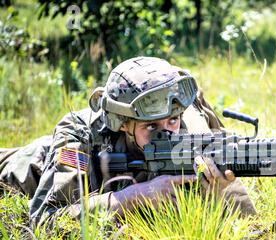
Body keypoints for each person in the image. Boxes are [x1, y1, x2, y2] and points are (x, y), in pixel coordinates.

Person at [0, 56, 257, 227]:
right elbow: (45, 220)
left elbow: (245, 222)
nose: (168, 134)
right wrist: (133, 197)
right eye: (151, 126)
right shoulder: (78, 138)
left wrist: (212, 190)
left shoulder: (191, 129)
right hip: (30, 166)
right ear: (123, 123)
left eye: (172, 121)